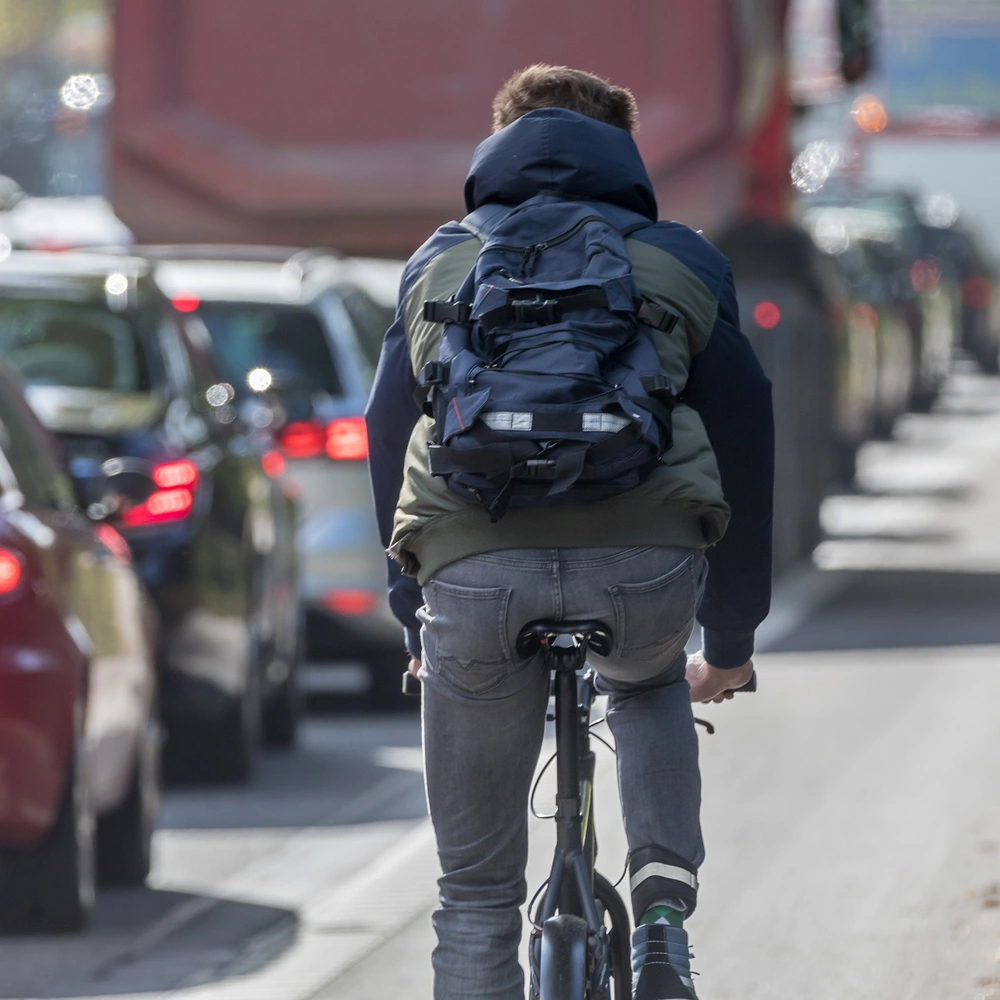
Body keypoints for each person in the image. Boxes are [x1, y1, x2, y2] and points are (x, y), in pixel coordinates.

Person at [366, 65, 773, 1000]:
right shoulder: (682, 258)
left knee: (475, 894)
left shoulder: (440, 261)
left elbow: (389, 432)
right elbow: (746, 434)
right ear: (622, 150)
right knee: (647, 682)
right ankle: (662, 926)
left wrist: (410, 609)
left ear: (500, 140)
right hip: (642, 564)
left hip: (474, 568)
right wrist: (732, 639)